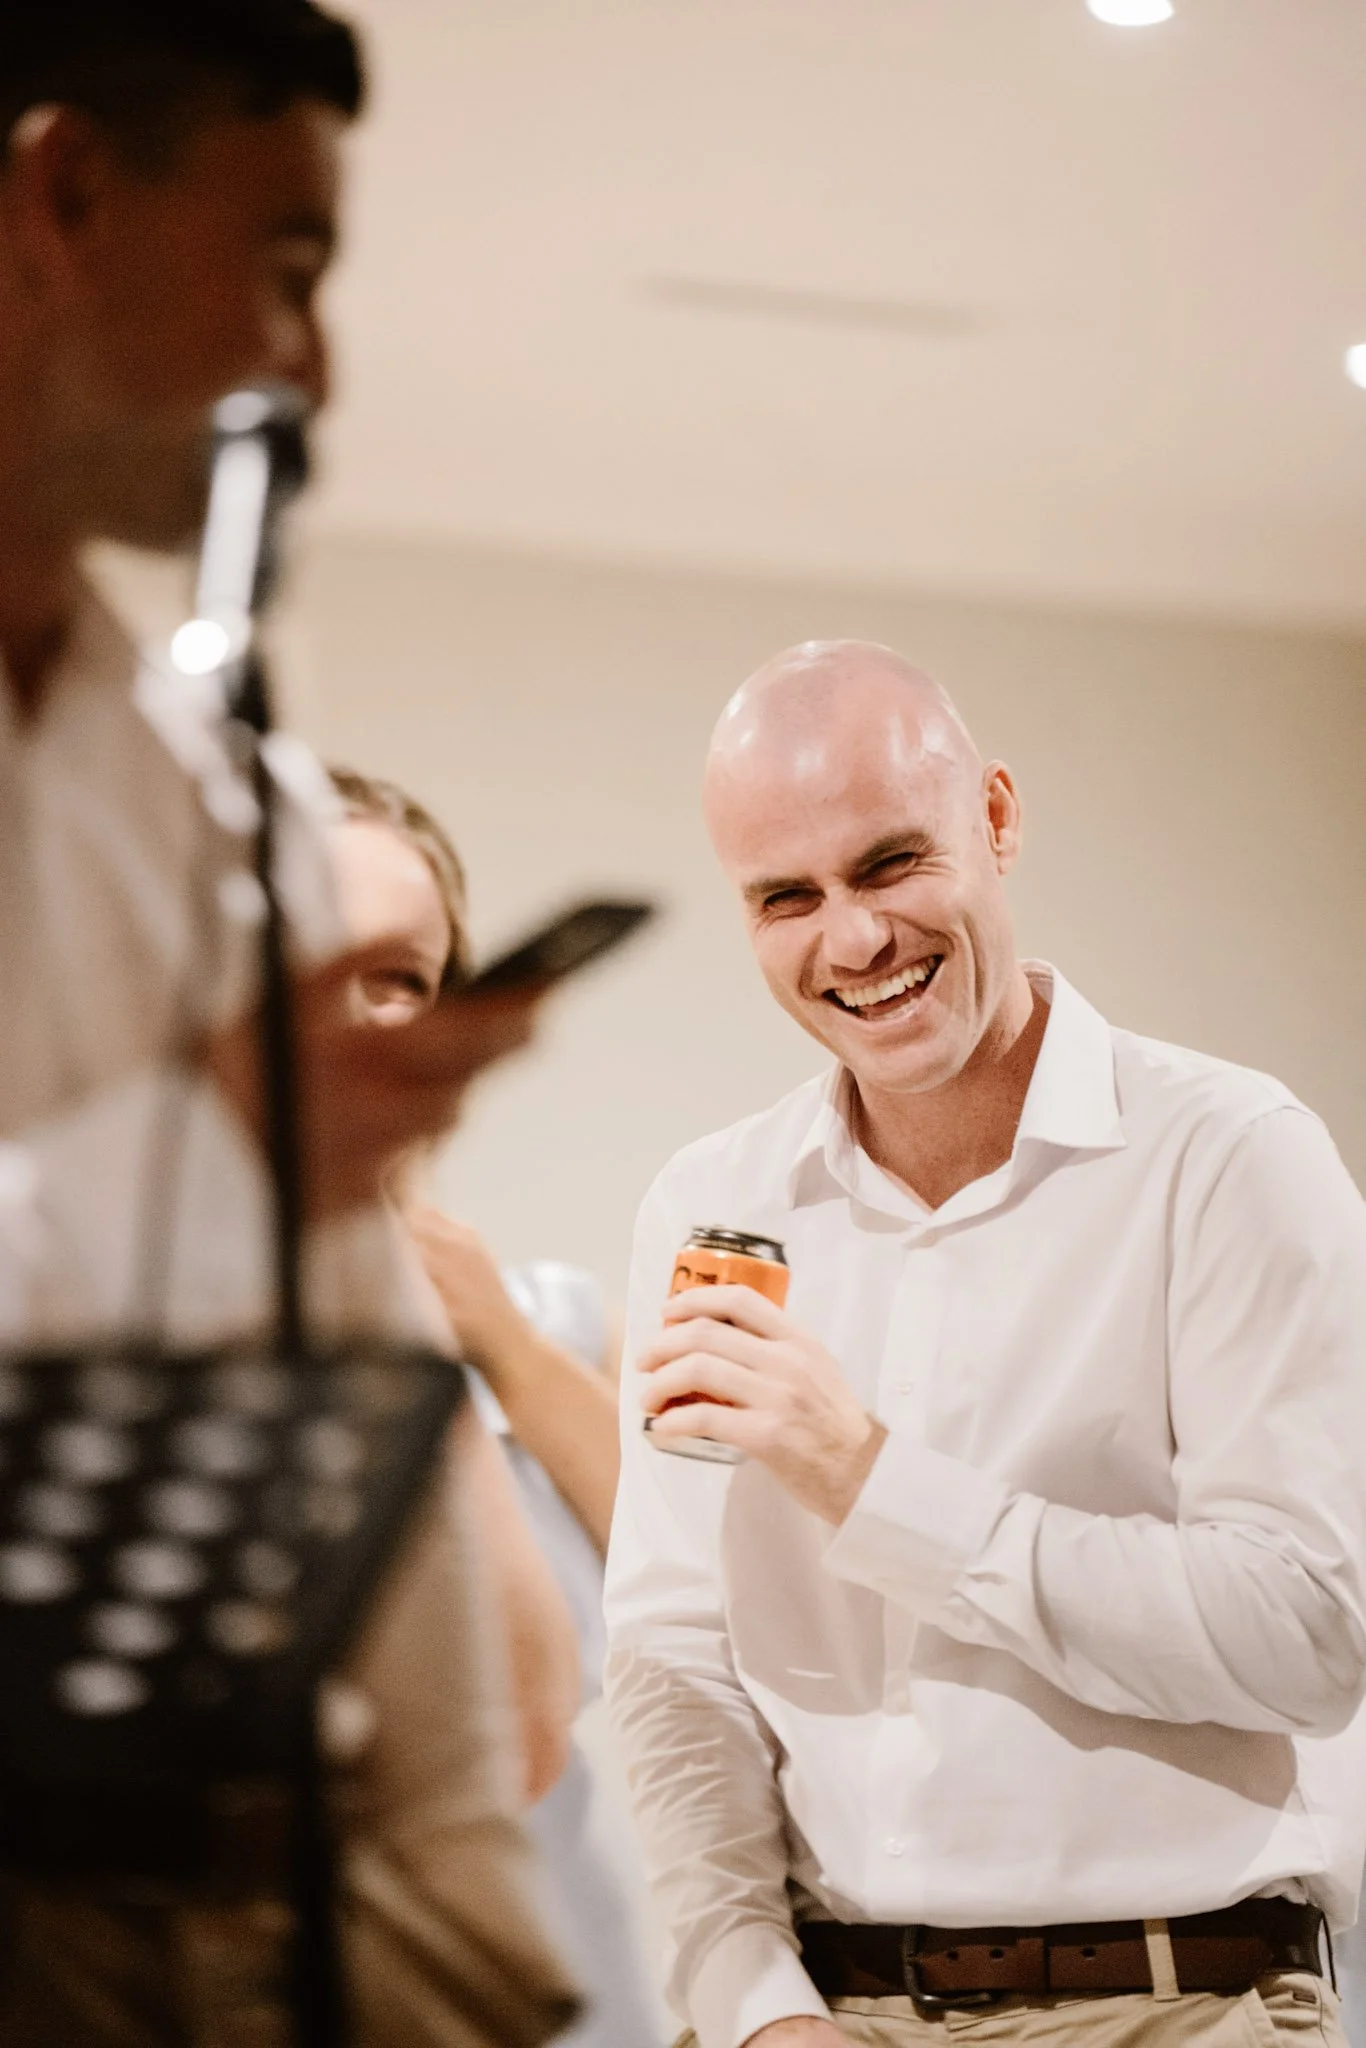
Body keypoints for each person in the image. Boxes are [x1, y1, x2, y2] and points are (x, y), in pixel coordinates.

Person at [0, 6, 578, 2043]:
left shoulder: (195, 797)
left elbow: (350, 1359)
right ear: (65, 193)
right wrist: (210, 1149)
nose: (307, 369)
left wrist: (471, 1932)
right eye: (285, 266)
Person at [603, 638, 1366, 2048]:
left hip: (1179, 2009)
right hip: (817, 2019)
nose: (851, 942)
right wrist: (753, 2006)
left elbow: (1307, 1633)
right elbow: (671, 1654)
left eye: (890, 865)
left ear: (996, 820)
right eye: (787, 896)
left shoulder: (1227, 1160)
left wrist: (866, 1477)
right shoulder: (705, 1206)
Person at [327, 764, 670, 2048]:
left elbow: (709, 1607)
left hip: (566, 1993)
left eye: (405, 975)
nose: (365, 1011)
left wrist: (495, 1343)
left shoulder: (553, 1324)